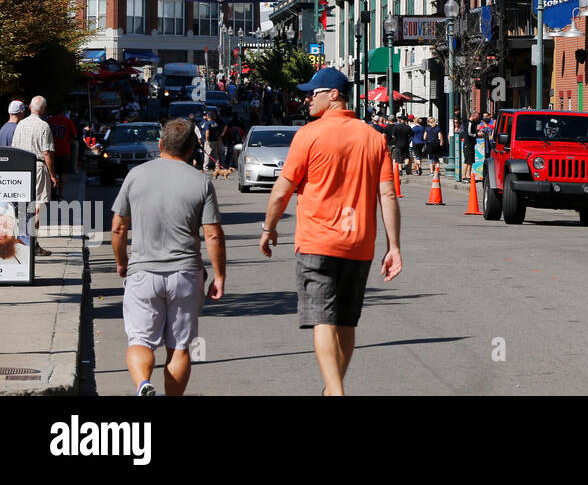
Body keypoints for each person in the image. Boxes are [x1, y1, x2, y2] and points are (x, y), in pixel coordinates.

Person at [259, 68, 400, 396]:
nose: (308, 98)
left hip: (317, 243)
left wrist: (269, 227)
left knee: (323, 319)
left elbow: (282, 189)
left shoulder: (308, 135)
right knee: (347, 322)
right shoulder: (374, 137)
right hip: (359, 244)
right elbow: (388, 195)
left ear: (334, 95)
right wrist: (394, 247)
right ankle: (332, 388)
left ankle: (335, 392)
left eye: (314, 92)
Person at [110, 118, 225, 396]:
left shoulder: (136, 175)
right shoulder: (201, 181)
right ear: (192, 150)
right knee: (180, 346)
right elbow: (213, 235)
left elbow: (118, 227)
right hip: (185, 274)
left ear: (160, 144)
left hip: (143, 273)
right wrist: (219, 276)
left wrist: (122, 262)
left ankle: (143, 384)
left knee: (140, 341)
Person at [13, 96, 57, 257]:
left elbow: (14, 148)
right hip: (38, 166)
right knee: (39, 205)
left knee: (25, 205)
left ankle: (26, 239)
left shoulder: (20, 125)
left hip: (22, 166)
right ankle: (31, 240)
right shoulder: (43, 126)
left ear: (30, 107)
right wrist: (53, 175)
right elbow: (47, 152)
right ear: (43, 109)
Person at [47, 107, 78, 182]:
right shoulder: (68, 121)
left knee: (52, 172)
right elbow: (74, 135)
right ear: (63, 112)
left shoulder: (48, 121)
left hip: (51, 150)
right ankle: (60, 192)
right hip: (64, 151)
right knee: (63, 173)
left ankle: (53, 190)